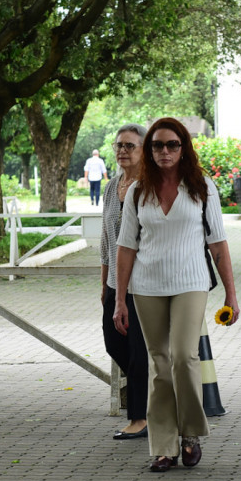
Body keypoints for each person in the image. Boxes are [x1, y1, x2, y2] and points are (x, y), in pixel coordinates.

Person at [114, 117, 240, 473]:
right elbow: (126, 247)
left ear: (184, 148)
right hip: (146, 286)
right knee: (160, 365)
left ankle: (191, 434)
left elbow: (218, 243)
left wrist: (231, 295)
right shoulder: (138, 192)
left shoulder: (202, 187)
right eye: (157, 145)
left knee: (184, 357)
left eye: (172, 144)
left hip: (191, 283)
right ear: (149, 151)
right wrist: (120, 299)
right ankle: (164, 447)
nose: (165, 151)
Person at [100, 124, 149, 440]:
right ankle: (158, 394)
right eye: (119, 145)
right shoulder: (111, 187)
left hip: (143, 282)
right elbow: (106, 239)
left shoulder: (149, 187)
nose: (122, 151)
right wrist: (104, 284)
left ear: (144, 150)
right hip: (115, 284)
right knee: (113, 342)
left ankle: (140, 418)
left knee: (139, 350)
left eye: (130, 145)